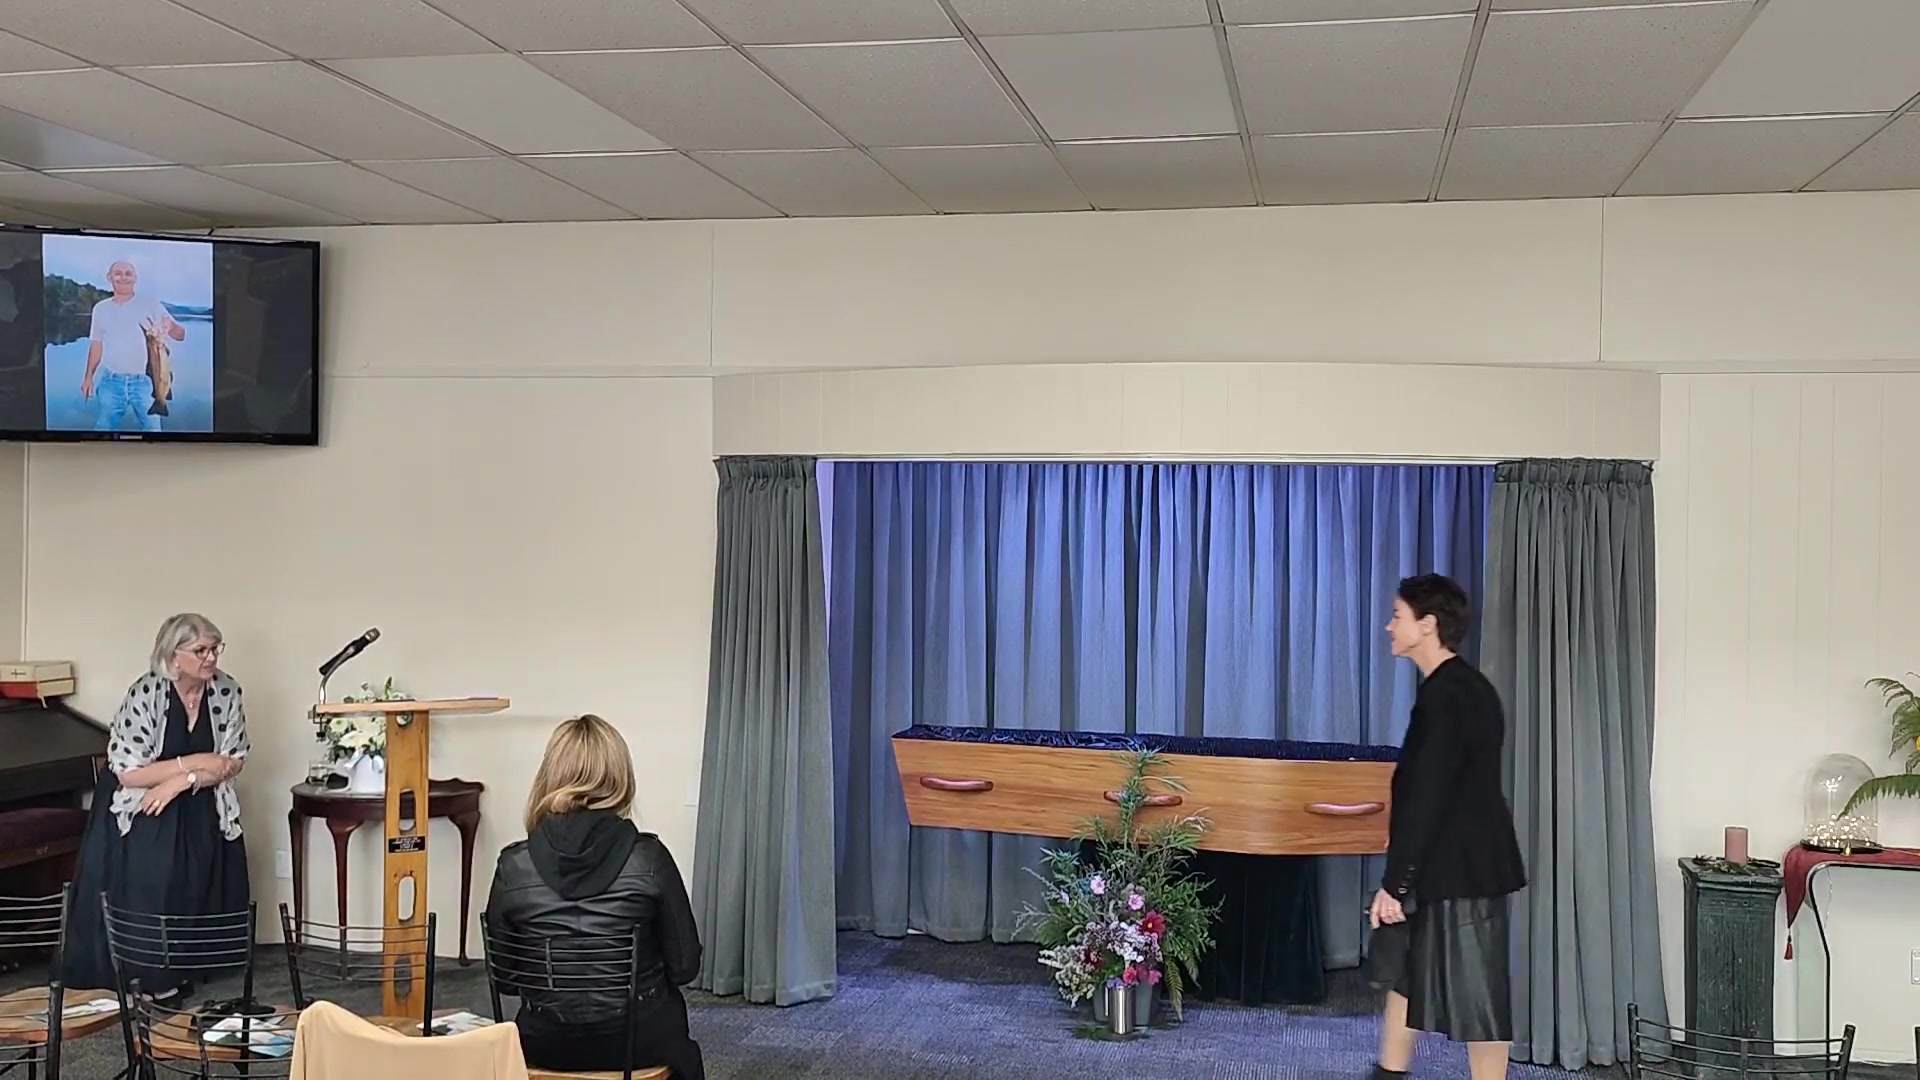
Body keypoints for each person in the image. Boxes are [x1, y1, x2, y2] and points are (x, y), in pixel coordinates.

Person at [485, 715, 705, 1079]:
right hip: (639, 1041)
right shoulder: (650, 859)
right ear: (620, 777)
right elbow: (685, 967)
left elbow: (505, 980)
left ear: (549, 775)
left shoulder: (513, 865)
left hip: (543, 1042)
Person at [1369, 574, 1527, 1080]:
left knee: (1479, 995)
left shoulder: (1449, 696)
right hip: (1449, 863)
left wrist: (1395, 883)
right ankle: (1389, 1070)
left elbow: (1429, 795)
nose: (1389, 626)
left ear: (1427, 624)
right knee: (1407, 972)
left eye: (1398, 616)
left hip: (1466, 869)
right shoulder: (1456, 688)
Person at [63, 613, 251, 997]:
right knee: (155, 873)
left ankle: (183, 970)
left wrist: (183, 781)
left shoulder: (227, 690)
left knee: (197, 876)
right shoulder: (146, 692)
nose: (211, 658)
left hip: (196, 801)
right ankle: (147, 979)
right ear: (173, 655)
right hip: (141, 802)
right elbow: (130, 774)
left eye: (215, 649)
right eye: (201, 650)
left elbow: (232, 762)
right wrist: (197, 762)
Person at [79, 259, 185, 433]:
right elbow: (96, 344)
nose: (123, 277)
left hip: (147, 383)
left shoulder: (151, 305)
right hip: (111, 382)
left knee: (153, 434)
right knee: (102, 434)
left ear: (135, 278)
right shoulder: (100, 309)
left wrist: (171, 327)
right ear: (109, 277)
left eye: (128, 274)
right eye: (118, 273)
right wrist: (88, 376)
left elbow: (181, 335)